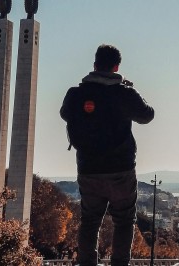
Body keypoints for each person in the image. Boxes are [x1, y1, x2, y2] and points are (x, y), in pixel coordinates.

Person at [61, 44, 154, 266]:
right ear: (116, 67)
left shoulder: (76, 94)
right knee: (124, 221)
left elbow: (65, 114)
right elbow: (147, 115)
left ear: (94, 65)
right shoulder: (124, 94)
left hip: (88, 168)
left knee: (90, 221)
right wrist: (129, 89)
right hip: (121, 169)